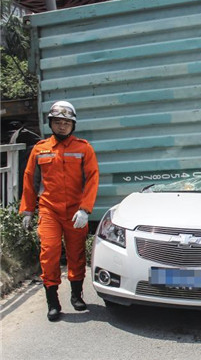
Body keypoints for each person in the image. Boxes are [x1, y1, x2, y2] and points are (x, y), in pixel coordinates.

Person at [20, 101, 99, 321]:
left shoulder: (84, 148)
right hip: (49, 210)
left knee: (76, 254)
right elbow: (30, 181)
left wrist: (85, 209)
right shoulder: (39, 149)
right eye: (58, 122)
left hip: (75, 211)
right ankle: (52, 303)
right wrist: (27, 211)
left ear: (72, 125)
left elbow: (92, 180)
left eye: (66, 122)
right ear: (51, 124)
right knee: (49, 253)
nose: (62, 126)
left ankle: (76, 296)